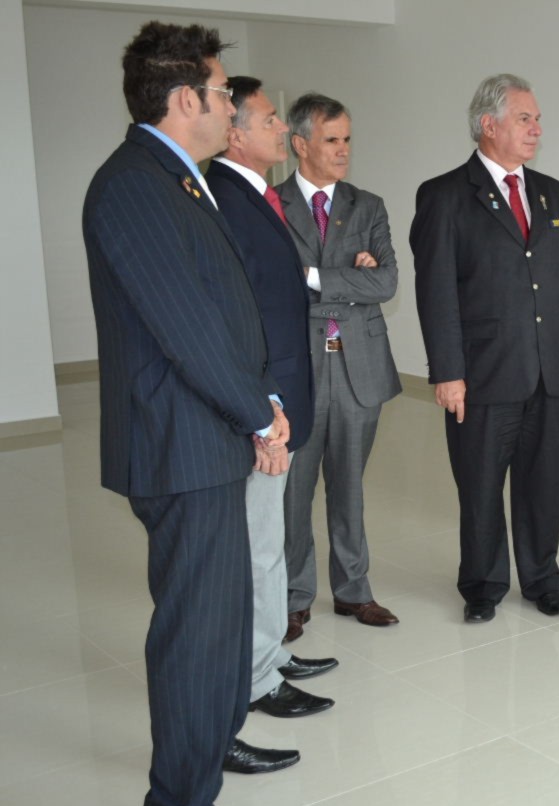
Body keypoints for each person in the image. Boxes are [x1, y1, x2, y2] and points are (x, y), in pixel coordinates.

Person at [83, 21, 298, 806]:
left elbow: (223, 309)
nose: (228, 106)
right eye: (218, 92)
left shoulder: (178, 177)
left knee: (222, 612)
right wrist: (257, 415)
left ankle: (213, 740)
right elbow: (187, 329)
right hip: (180, 442)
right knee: (195, 628)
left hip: (208, 430)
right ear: (185, 99)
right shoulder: (134, 185)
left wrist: (261, 399)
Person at [411, 73, 559, 624]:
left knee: (542, 484)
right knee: (481, 487)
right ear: (488, 125)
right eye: (524, 119)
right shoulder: (445, 195)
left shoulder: (552, 193)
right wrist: (448, 371)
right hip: (482, 372)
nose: (537, 129)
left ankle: (541, 579)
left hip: (547, 370)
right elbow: (435, 291)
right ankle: (483, 584)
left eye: (537, 119)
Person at [206, 77, 339, 718]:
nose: (282, 129)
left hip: (279, 395)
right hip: (265, 405)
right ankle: (258, 677)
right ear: (233, 133)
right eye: (267, 120)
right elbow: (240, 314)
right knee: (259, 545)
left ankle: (272, 654)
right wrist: (265, 407)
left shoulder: (254, 193)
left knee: (271, 540)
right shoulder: (227, 200)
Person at [278, 92, 401, 640]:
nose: (343, 150)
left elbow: (387, 281)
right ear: (300, 144)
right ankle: (294, 597)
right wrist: (351, 279)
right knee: (294, 492)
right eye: (332, 140)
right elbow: (274, 286)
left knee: (349, 486)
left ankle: (353, 591)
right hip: (298, 368)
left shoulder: (367, 205)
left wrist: (313, 277)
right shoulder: (270, 204)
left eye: (347, 139)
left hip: (359, 367)